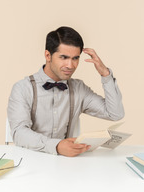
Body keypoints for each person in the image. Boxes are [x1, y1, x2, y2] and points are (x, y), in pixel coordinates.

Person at [7, 26, 124, 157]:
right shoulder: (23, 88)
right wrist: (56, 146)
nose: (70, 65)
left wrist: (105, 74)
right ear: (48, 55)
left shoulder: (79, 89)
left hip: (66, 165)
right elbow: (19, 133)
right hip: (29, 160)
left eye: (75, 58)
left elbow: (115, 114)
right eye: (64, 57)